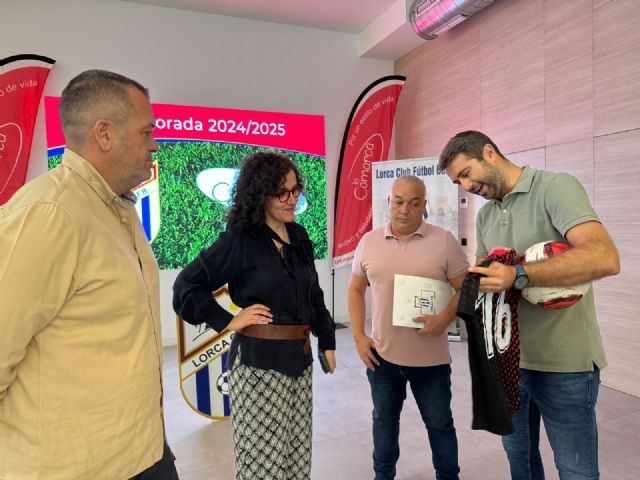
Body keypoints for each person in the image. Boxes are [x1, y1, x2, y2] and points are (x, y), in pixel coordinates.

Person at [0, 70, 178, 479]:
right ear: (105, 133)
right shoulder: (51, 213)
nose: (155, 144)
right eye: (147, 131)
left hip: (142, 450)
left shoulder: (116, 207)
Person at [439, 130, 620, 480]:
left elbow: (605, 257)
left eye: (465, 174)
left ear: (488, 152)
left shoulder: (556, 188)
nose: (464, 186)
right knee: (519, 462)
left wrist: (519, 274)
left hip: (564, 365)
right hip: (508, 365)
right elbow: (484, 279)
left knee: (575, 470)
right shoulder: (486, 215)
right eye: (457, 181)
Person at [173, 151, 336, 480]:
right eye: (282, 193)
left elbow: (313, 293)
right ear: (260, 194)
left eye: (295, 190)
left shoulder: (299, 236)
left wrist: (327, 340)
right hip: (258, 368)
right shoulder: (240, 240)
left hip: (299, 365)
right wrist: (227, 321)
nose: (292, 199)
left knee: (296, 460)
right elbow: (186, 285)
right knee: (261, 467)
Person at [348, 175, 467, 480]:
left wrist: (444, 319)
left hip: (432, 360)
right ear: (389, 202)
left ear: (424, 206)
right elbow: (355, 289)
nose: (405, 210)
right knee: (384, 421)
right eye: (399, 202)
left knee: (440, 424)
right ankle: (383, 476)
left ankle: (448, 476)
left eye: (414, 203)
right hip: (383, 357)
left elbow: (466, 289)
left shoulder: (444, 241)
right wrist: (359, 336)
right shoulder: (369, 242)